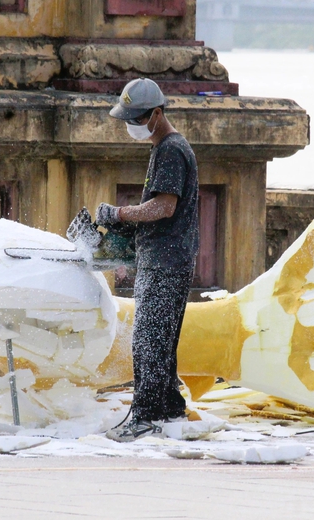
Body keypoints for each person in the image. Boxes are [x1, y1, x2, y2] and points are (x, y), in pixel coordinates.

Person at [97, 78, 199, 442]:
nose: (132, 126)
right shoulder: (166, 147)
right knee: (161, 339)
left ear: (157, 114)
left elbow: (164, 206)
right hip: (167, 258)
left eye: (137, 119)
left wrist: (119, 215)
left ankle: (146, 415)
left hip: (166, 261)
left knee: (149, 340)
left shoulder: (171, 150)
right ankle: (170, 407)